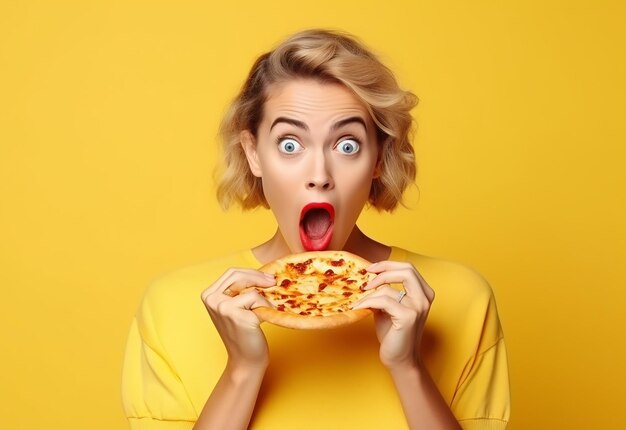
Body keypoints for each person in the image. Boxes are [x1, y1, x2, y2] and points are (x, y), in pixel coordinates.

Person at [122, 29, 510, 430]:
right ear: (254, 153)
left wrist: (408, 366)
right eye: (291, 144)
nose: (319, 176)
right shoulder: (171, 305)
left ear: (379, 157)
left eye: (347, 146)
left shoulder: (462, 298)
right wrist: (241, 372)